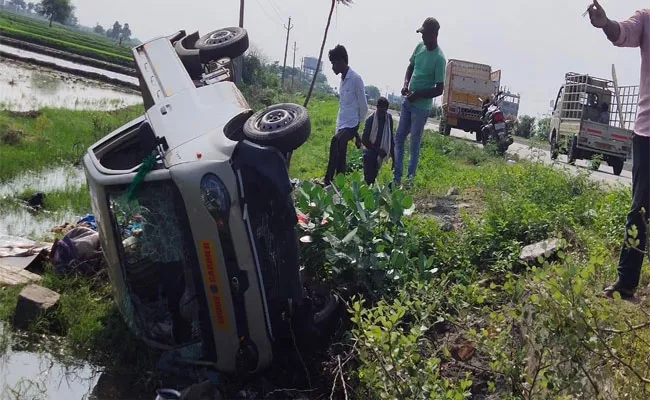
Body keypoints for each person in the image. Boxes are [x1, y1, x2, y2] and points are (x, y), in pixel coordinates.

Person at [588, 1, 650, 299]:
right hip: (647, 133)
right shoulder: (647, 19)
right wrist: (606, 24)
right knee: (640, 209)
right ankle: (626, 284)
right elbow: (623, 32)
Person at [393, 17, 446, 188]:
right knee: (399, 138)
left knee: (414, 144)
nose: (422, 37)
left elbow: (439, 89)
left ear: (434, 35)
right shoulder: (419, 47)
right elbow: (410, 67)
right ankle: (397, 178)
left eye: (425, 34)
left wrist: (419, 95)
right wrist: (405, 85)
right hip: (408, 101)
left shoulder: (439, 58)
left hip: (421, 108)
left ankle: (409, 181)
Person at [322, 45, 368, 186]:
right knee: (341, 154)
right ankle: (339, 185)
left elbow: (364, 106)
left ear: (342, 61)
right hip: (342, 123)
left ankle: (327, 180)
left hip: (351, 124)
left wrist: (356, 128)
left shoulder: (355, 79)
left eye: (334, 63)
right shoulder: (342, 80)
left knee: (335, 142)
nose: (333, 67)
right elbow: (343, 106)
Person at [361, 97, 394, 185]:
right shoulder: (370, 119)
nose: (382, 114)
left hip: (382, 150)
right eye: (380, 111)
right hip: (371, 150)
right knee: (369, 176)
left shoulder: (388, 118)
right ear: (377, 107)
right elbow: (364, 140)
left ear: (387, 109)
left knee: (374, 176)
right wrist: (378, 150)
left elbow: (391, 137)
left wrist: (394, 157)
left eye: (384, 111)